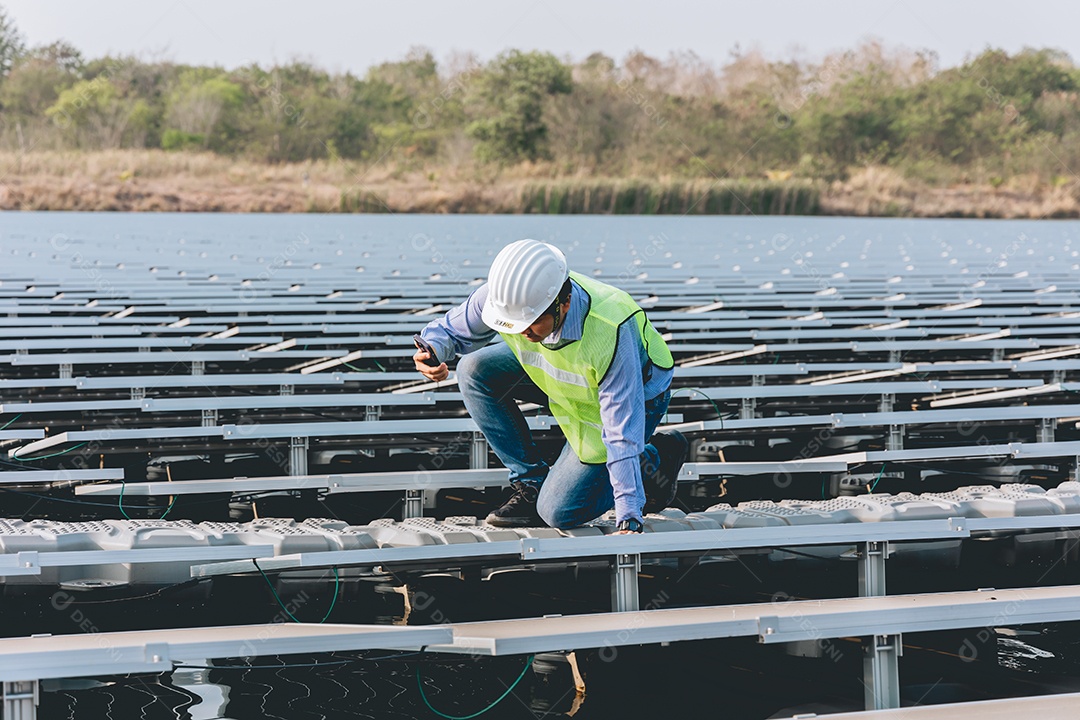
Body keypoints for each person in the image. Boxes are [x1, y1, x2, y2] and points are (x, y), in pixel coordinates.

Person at [412, 239, 687, 534]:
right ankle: (530, 482)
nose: (521, 332)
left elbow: (620, 431)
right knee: (473, 369)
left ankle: (655, 460)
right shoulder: (509, 297)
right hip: (561, 372)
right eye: (514, 325)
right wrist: (432, 351)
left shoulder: (610, 328)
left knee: (558, 512)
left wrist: (629, 512)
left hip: (630, 397)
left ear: (563, 302)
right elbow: (453, 328)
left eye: (531, 324)